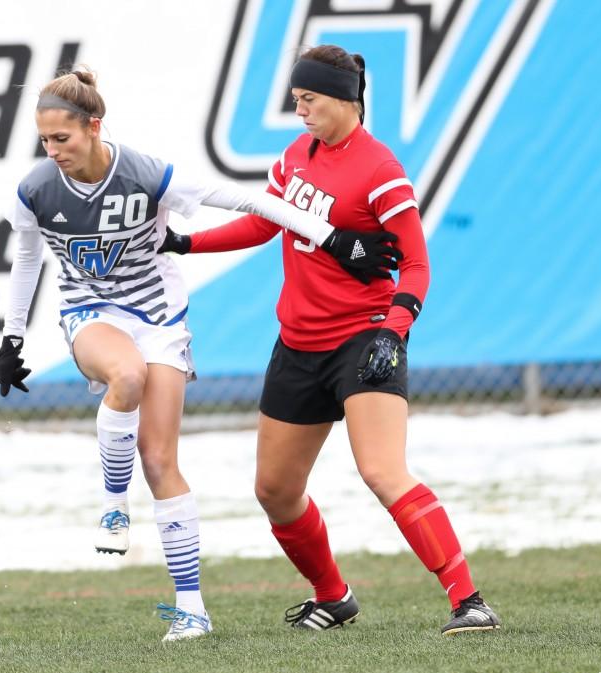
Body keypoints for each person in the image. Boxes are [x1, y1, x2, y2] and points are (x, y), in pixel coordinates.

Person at [0, 65, 398, 642]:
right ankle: (112, 503)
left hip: (158, 318)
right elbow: (28, 259)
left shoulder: (144, 173)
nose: (53, 150)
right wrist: (11, 339)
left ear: (94, 128)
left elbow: (242, 200)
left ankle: (192, 609)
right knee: (125, 375)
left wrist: (328, 234)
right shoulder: (35, 190)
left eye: (64, 138)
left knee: (160, 462)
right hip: (91, 315)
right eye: (45, 140)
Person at [159, 45, 501, 636]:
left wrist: (394, 333)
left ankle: (468, 602)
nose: (300, 112)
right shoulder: (296, 156)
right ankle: (333, 595)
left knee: (382, 471)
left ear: (344, 99)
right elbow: (266, 222)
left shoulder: (381, 171)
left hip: (363, 341)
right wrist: (188, 244)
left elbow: (415, 268)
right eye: (296, 101)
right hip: (297, 344)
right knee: (275, 490)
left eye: (308, 99)